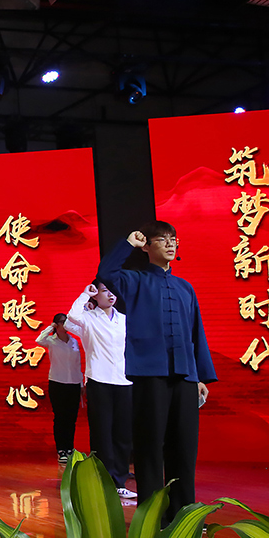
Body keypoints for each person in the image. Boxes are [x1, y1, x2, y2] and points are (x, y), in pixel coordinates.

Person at [97, 222, 216, 521]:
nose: (170, 244)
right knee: (150, 448)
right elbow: (106, 274)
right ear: (147, 246)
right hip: (149, 376)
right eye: (162, 239)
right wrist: (128, 243)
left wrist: (200, 376)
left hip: (185, 377)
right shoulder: (134, 281)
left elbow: (196, 333)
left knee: (184, 448)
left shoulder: (185, 288)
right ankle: (151, 519)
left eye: (173, 239)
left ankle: (183, 516)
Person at [66, 281, 135, 497]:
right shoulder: (89, 318)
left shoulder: (124, 319)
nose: (110, 295)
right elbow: (71, 317)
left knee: (123, 434)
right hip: (98, 380)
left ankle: (120, 481)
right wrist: (85, 294)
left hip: (124, 381)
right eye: (104, 291)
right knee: (102, 433)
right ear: (96, 295)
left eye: (112, 291)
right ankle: (103, 480)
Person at [36, 313, 85, 465]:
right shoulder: (51, 341)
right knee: (60, 417)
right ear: (57, 325)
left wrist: (81, 384)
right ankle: (61, 449)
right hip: (57, 383)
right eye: (63, 322)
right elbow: (39, 340)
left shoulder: (74, 341)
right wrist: (51, 327)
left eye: (67, 322)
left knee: (71, 418)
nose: (66, 325)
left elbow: (77, 364)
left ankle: (70, 448)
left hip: (74, 383)